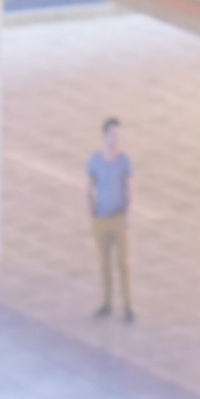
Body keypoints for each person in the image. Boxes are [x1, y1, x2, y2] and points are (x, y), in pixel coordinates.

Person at [86, 117, 134, 321]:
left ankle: (128, 306)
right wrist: (91, 212)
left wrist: (129, 213)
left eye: (118, 135)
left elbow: (131, 187)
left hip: (118, 218)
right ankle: (107, 302)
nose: (116, 138)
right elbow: (89, 186)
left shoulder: (124, 161)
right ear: (105, 136)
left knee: (123, 263)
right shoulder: (95, 160)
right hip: (101, 218)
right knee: (104, 262)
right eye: (113, 134)